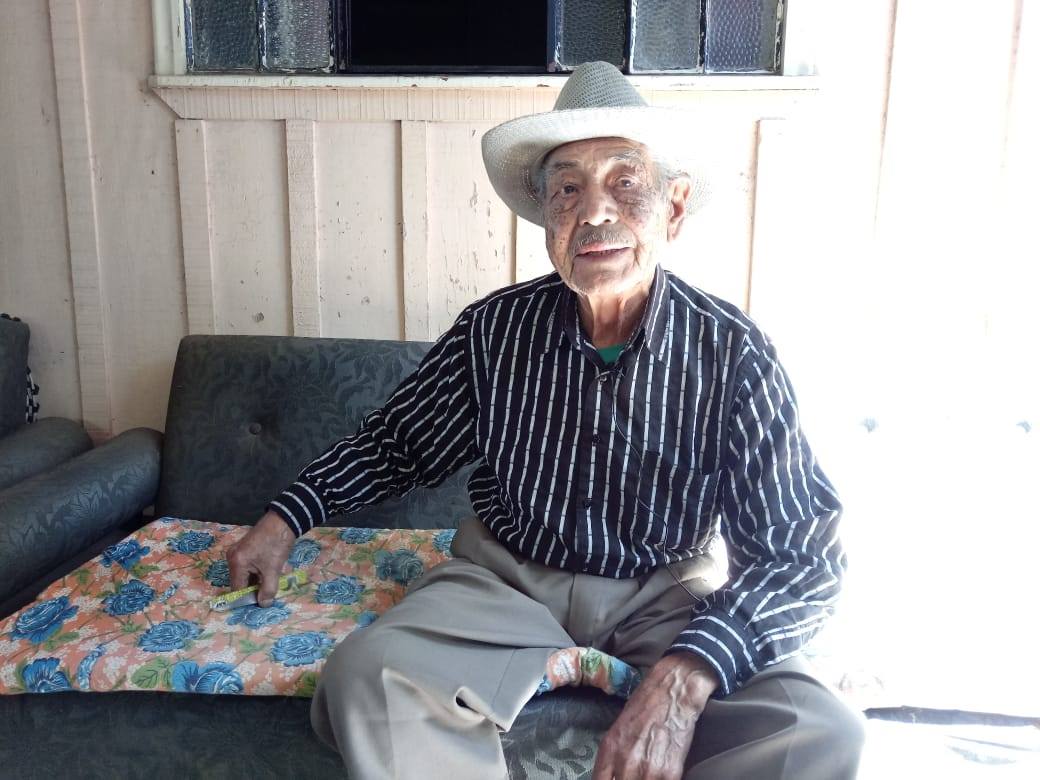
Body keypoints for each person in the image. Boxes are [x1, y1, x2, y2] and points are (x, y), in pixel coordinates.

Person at [226, 62, 865, 779]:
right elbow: (396, 445)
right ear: (545, 216)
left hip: (663, 596)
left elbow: (800, 552)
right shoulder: (494, 331)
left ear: (675, 206)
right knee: (368, 679)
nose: (594, 213)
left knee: (817, 729)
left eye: (625, 182)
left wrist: (686, 676)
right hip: (506, 582)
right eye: (567, 189)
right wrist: (285, 518)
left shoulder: (732, 352)